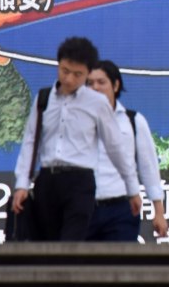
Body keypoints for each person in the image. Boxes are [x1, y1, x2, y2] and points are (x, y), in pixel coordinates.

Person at [11, 37, 142, 241]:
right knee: (47, 246)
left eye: (78, 74)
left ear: (88, 73)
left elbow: (115, 147)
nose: (70, 79)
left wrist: (132, 189)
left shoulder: (97, 103)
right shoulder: (44, 98)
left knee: (71, 244)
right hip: (47, 180)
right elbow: (30, 143)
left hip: (80, 183)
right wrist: (21, 184)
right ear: (58, 65)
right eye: (65, 71)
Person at [85, 60, 169, 241]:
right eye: (90, 84)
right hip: (82, 209)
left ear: (115, 85)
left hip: (121, 209)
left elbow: (148, 168)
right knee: (80, 267)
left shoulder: (133, 121)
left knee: (118, 266)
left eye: (101, 82)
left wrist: (159, 212)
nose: (95, 88)